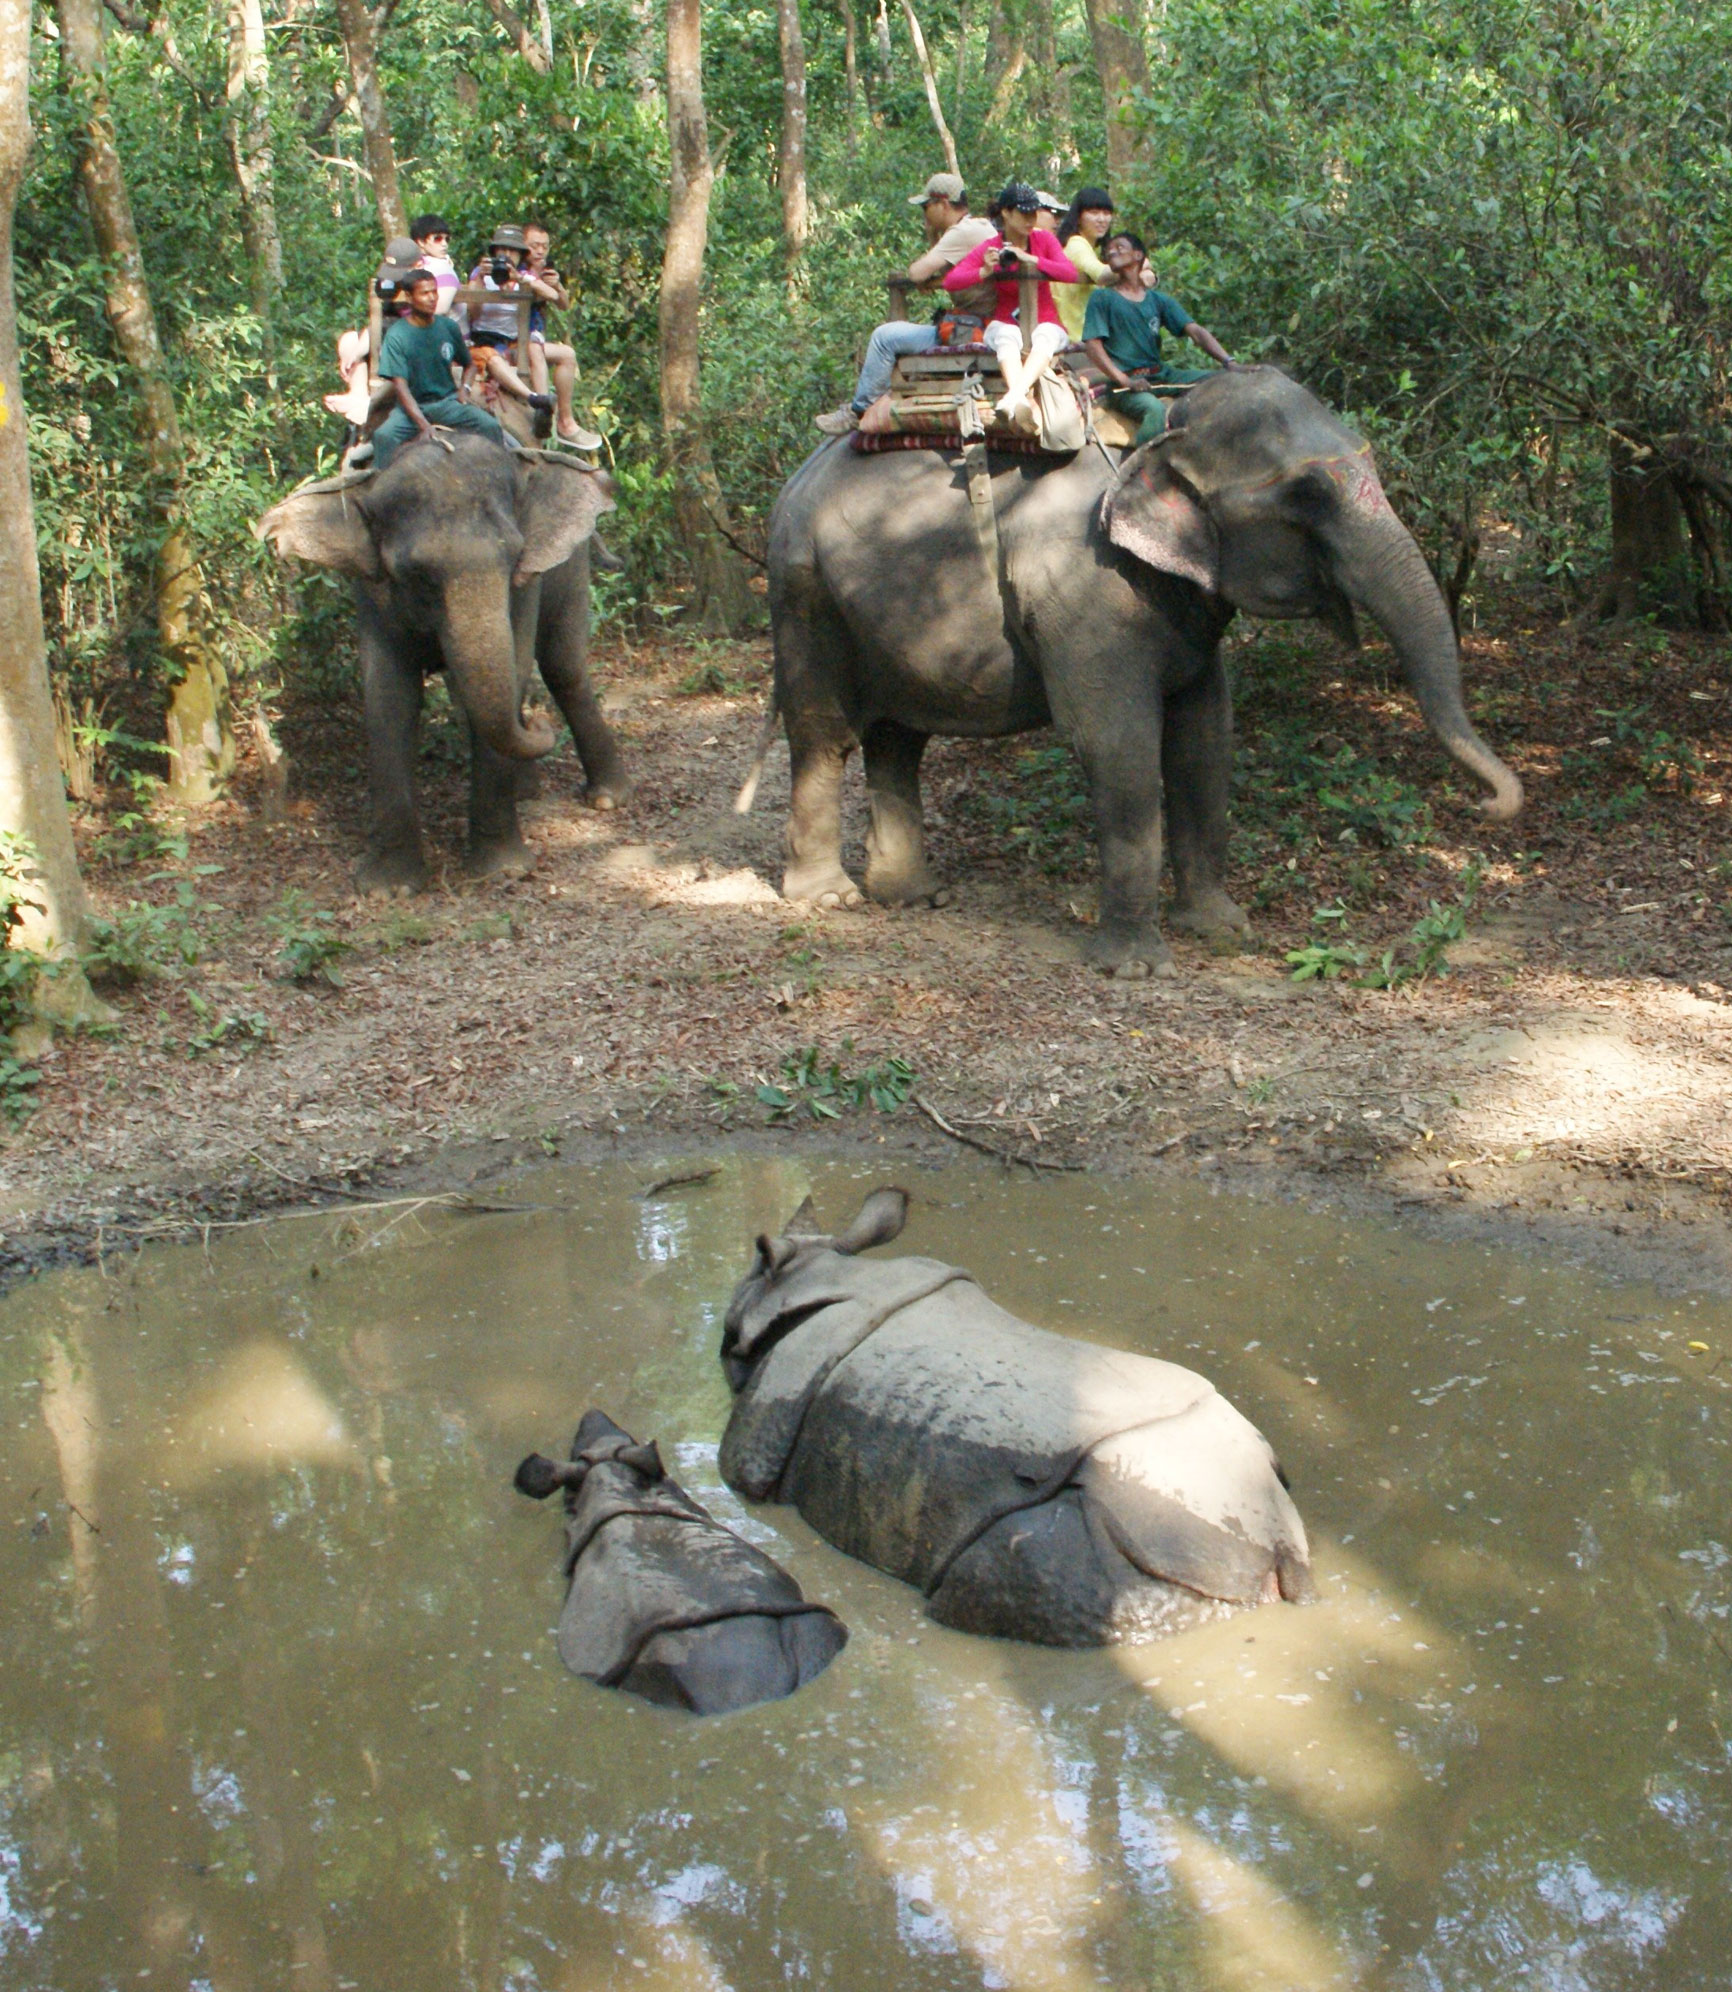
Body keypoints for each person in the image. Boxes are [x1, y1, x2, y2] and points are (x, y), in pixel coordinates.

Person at [813, 172, 996, 435]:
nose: (923, 213)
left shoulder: (962, 233)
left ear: (943, 204)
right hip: (982, 323)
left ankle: (859, 410)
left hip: (973, 330)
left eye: (926, 207)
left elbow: (916, 273)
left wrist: (931, 238)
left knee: (884, 337)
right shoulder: (978, 227)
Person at [941, 180, 1080, 423]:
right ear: (1006, 213)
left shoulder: (1044, 241)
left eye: (1034, 213)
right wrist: (984, 271)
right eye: (1024, 213)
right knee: (1006, 336)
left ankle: (1014, 396)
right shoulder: (991, 246)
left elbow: (1069, 273)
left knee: (1044, 335)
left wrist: (1030, 259)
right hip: (1006, 320)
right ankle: (1020, 400)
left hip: (1046, 320)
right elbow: (951, 281)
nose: (1030, 219)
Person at [1081, 231, 1235, 444]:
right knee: (1154, 410)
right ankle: (1135, 471)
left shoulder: (1158, 300)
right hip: (1124, 384)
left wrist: (1229, 362)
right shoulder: (1102, 297)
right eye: (1109, 249)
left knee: (1223, 380)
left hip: (1160, 374)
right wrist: (1124, 380)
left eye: (1120, 247)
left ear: (1138, 255)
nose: (1111, 251)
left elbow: (1196, 332)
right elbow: (1093, 346)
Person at [372, 268, 506, 468]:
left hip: (447, 402)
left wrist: (465, 390)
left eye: (434, 292)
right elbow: (400, 386)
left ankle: (501, 471)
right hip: (411, 410)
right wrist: (423, 424)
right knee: (383, 436)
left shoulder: (448, 327)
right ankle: (378, 485)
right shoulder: (397, 335)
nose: (432, 298)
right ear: (409, 297)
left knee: (490, 426)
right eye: (424, 293)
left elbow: (469, 365)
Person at [325, 238, 423, 428]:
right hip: (388, 338)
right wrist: (355, 354)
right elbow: (379, 323)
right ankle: (358, 394)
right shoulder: (390, 285)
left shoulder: (427, 286)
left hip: (414, 346)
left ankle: (370, 404)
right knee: (350, 340)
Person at [522, 223, 603, 451]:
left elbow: (564, 304)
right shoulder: (518, 271)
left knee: (568, 355)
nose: (540, 251)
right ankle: (547, 410)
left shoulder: (545, 272)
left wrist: (557, 284)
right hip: (518, 340)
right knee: (546, 350)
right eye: (534, 246)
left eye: (545, 246)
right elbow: (548, 295)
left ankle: (566, 422)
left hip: (535, 339)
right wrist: (545, 287)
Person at [464, 225, 555, 417]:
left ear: (520, 254)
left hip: (513, 343)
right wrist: (481, 279)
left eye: (512, 251)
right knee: (492, 358)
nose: (506, 255)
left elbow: (552, 295)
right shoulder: (480, 274)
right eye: (502, 250)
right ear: (494, 252)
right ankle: (534, 398)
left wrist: (521, 278)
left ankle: (543, 408)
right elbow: (472, 313)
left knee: (535, 350)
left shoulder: (524, 276)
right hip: (482, 342)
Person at [1052, 187, 1116, 342]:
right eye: (1094, 213)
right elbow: (1101, 274)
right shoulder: (1076, 244)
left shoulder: (1088, 247)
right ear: (1078, 217)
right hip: (1075, 335)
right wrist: (1135, 266)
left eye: (1107, 214)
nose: (1101, 219)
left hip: (1083, 333)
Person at [409, 213, 460, 314]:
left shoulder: (443, 268)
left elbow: (440, 309)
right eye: (438, 238)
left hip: (443, 327)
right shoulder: (416, 263)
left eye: (447, 239)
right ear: (421, 242)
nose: (444, 244)